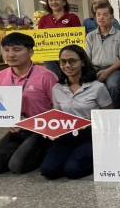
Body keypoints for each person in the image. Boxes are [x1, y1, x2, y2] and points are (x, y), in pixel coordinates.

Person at [0, 32, 57, 174]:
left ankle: (47, 151)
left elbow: (59, 108)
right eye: (6, 50)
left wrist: (36, 123)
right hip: (17, 130)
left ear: (31, 52)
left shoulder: (46, 76)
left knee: (17, 166)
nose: (10, 55)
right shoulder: (0, 76)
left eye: (17, 50)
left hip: (42, 131)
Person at [40, 45, 112, 179]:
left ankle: (90, 157)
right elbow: (57, 115)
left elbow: (109, 116)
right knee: (48, 171)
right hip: (66, 137)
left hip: (90, 136)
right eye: (63, 62)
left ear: (83, 62)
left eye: (72, 61)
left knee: (72, 170)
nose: (67, 65)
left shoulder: (97, 87)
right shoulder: (57, 88)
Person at [85, 2, 120, 108]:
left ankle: (116, 112)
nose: (101, 17)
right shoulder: (90, 36)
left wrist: (107, 72)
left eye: (105, 14)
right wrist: (92, 72)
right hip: (95, 69)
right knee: (87, 85)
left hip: (114, 69)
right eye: (98, 14)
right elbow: (87, 58)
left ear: (111, 17)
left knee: (113, 86)